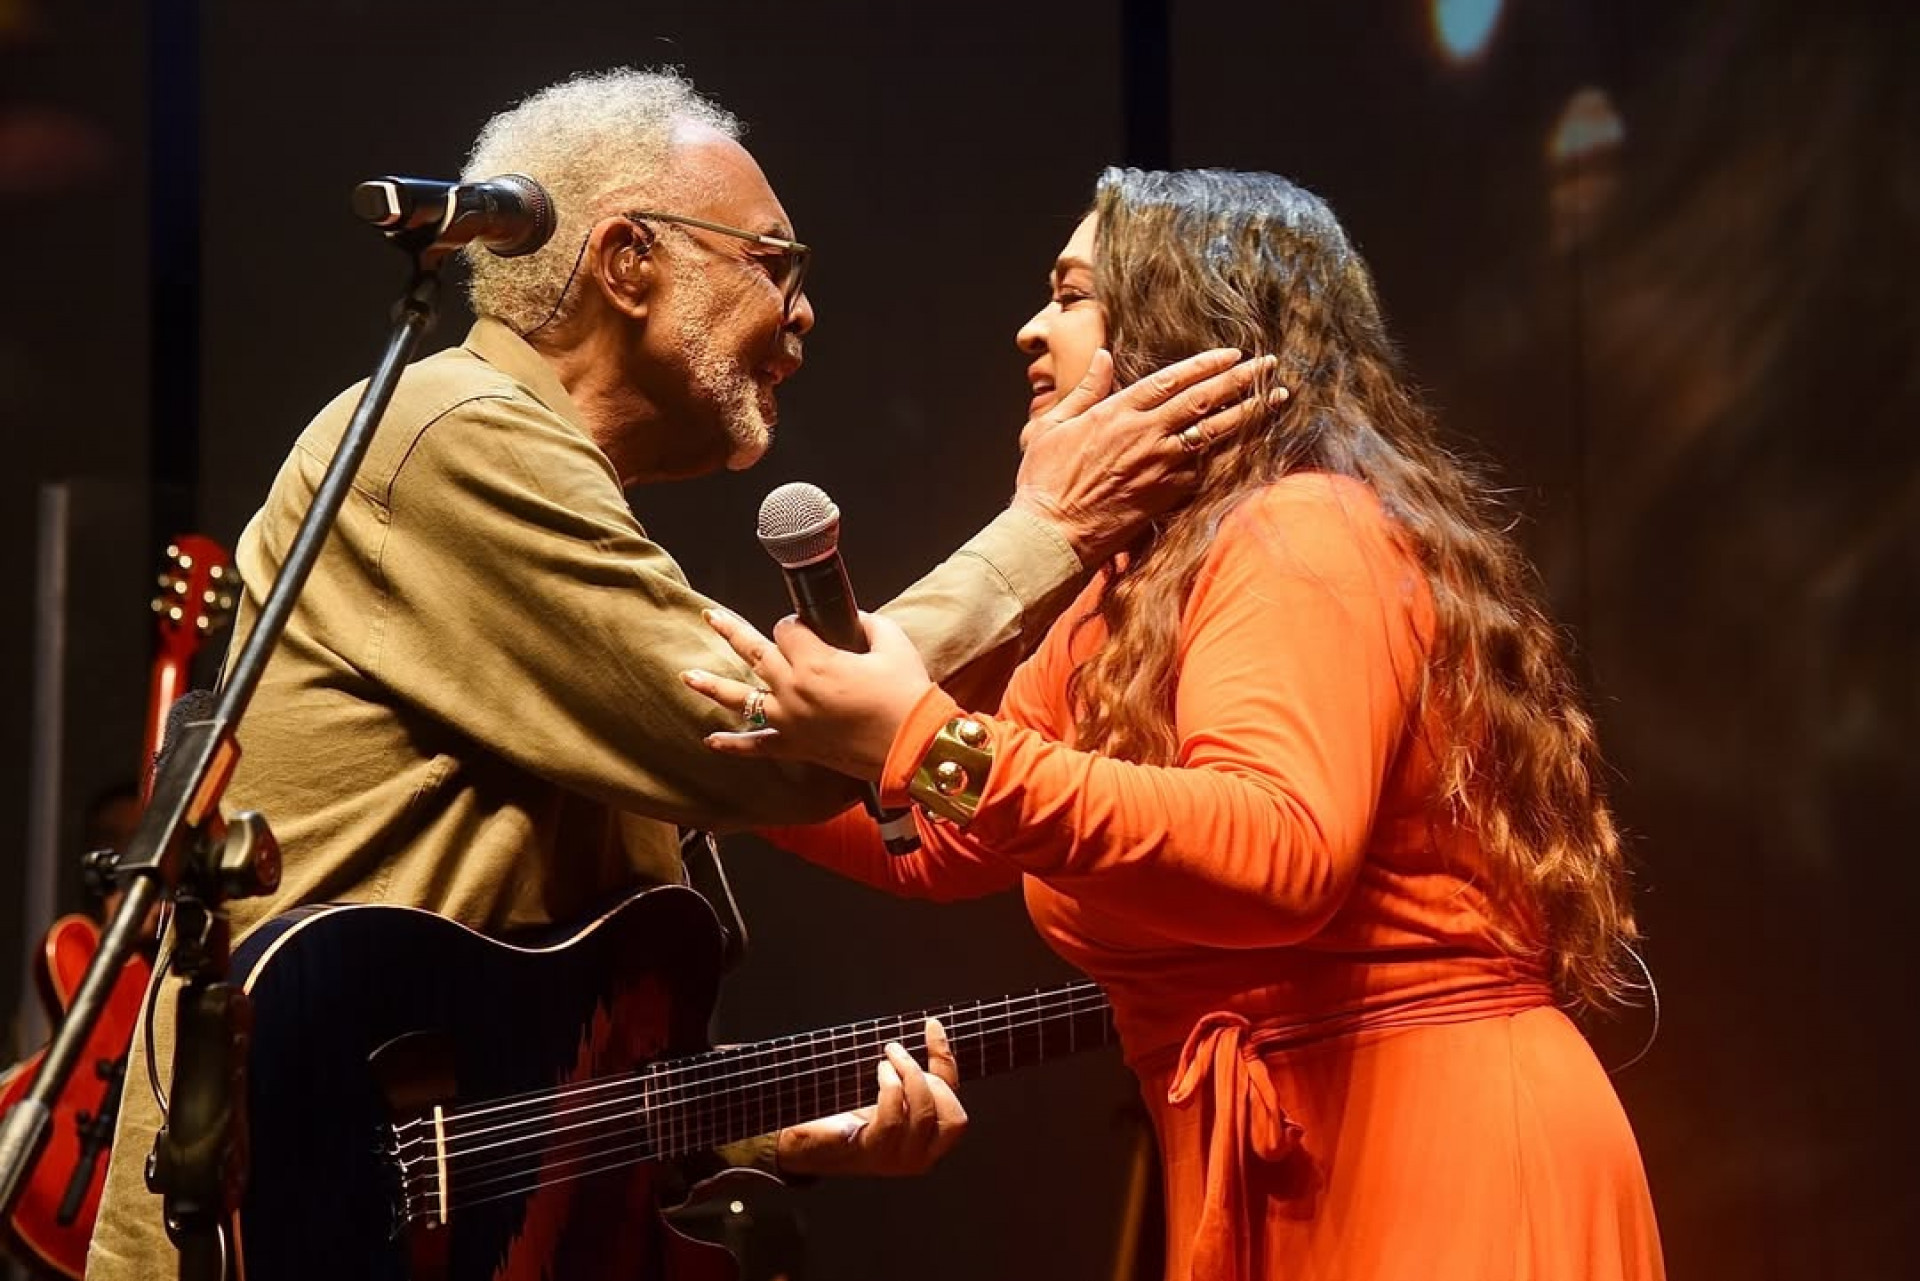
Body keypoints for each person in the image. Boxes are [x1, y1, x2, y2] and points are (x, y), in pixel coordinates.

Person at [83, 75, 1272, 1276]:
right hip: (278, 1226)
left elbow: (534, 1052)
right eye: (775, 264)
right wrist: (1047, 528)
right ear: (628, 259)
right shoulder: (447, 434)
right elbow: (786, 744)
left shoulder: (550, 500)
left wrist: (772, 1135)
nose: (803, 316)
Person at [683, 167, 1667, 1280]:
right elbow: (953, 838)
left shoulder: (1304, 530)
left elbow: (1279, 848)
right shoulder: (1125, 593)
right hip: (1296, 1159)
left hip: (1437, 1153)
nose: (1028, 329)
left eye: (1070, 295)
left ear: (1190, 330)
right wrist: (692, 764)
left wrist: (922, 738)